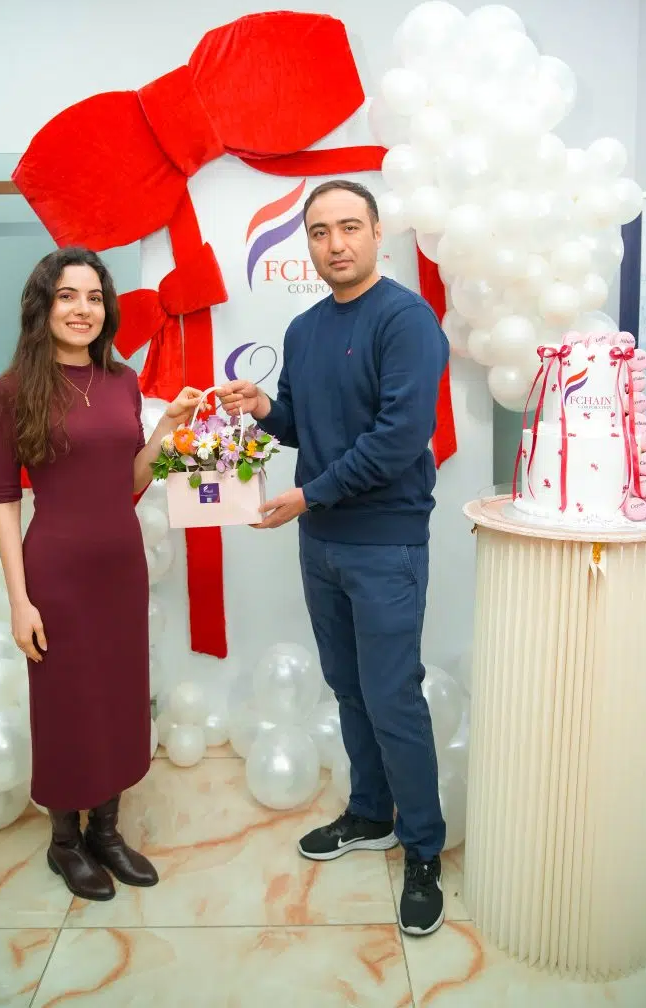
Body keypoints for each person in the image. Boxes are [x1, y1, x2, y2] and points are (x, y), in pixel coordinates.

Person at [218, 179, 449, 936]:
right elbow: (302, 422)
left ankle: (423, 849)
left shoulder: (406, 320)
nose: (335, 243)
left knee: (392, 697)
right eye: (320, 232)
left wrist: (309, 495)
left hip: (384, 543)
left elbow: (398, 438)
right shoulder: (304, 329)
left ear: (378, 233)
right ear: (309, 244)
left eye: (350, 227)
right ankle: (370, 814)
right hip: (321, 543)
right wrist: (263, 410)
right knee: (349, 689)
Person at [0, 248, 201, 902]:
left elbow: (127, 480)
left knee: (117, 696)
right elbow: (5, 502)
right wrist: (19, 600)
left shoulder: (122, 380)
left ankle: (106, 832)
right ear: (43, 306)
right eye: (67, 296)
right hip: (56, 572)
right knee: (64, 704)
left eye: (95, 297)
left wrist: (167, 428)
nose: (83, 309)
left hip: (121, 568)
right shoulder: (11, 391)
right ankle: (64, 841)